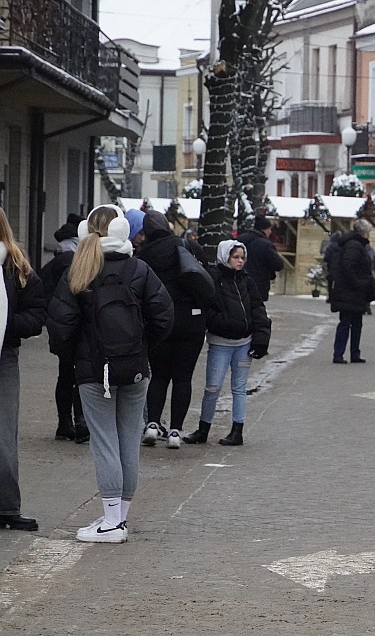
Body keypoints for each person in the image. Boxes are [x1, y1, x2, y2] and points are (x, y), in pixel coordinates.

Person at [47, 205, 174, 543]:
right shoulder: (140, 269)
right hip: (135, 369)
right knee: (128, 442)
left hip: (93, 372)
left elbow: (61, 326)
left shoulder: (80, 269)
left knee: (104, 443)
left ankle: (111, 522)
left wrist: (73, 358)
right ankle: (118, 519)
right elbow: (164, 317)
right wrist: (142, 347)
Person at [136, 211, 217, 448]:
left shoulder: (144, 256)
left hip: (159, 323)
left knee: (159, 376)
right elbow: (207, 278)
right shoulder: (188, 246)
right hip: (191, 322)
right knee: (183, 378)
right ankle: (175, 431)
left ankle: (152, 424)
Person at [182, 240, 271, 447]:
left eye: (242, 258)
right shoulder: (214, 279)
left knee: (239, 389)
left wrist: (261, 339)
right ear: (225, 257)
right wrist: (221, 323)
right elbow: (207, 308)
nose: (240, 261)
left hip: (244, 344)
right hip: (220, 343)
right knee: (212, 387)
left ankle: (237, 430)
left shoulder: (247, 281)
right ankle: (203, 429)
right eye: (235, 257)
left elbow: (258, 309)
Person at [0, 209, 46, 532]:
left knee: (4, 433)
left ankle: (6, 507)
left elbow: (37, 313)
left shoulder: (16, 266)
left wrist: (6, 325)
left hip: (4, 357)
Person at [38, 213, 88, 443]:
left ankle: (64, 423)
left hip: (59, 326)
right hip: (74, 327)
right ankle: (78, 422)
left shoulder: (56, 261)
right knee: (79, 375)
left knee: (65, 374)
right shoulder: (72, 262)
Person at [329, 219, 375, 364]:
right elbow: (348, 266)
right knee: (347, 322)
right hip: (351, 291)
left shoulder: (352, 244)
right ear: (363, 232)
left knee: (354, 322)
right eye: (368, 231)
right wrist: (358, 283)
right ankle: (340, 354)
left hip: (351, 290)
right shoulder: (354, 246)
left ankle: (352, 353)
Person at [240, 214, 285, 303]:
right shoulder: (266, 245)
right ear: (264, 229)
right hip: (259, 286)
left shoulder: (240, 240)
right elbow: (278, 265)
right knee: (256, 313)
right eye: (269, 229)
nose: (270, 232)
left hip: (239, 284)